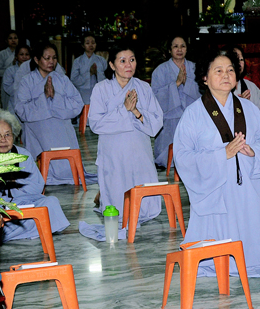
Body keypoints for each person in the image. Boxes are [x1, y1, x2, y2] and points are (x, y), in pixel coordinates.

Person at [174, 50, 260, 277]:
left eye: (230, 70)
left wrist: (254, 152)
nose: (226, 75)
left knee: (248, 236)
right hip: (215, 190)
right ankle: (214, 262)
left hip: (246, 189)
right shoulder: (193, 114)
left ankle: (250, 260)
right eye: (218, 71)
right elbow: (183, 157)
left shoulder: (249, 109)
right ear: (205, 77)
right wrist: (222, 155)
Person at [88, 44, 163, 231]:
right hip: (113, 152)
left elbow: (156, 122)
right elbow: (96, 124)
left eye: (132, 60)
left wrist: (136, 112)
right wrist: (124, 110)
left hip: (139, 150)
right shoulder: (101, 89)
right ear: (112, 65)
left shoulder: (144, 88)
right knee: (117, 202)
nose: (129, 65)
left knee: (145, 202)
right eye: (122, 61)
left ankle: (142, 209)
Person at [0, 109, 70, 241]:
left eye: (8, 134)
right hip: (0, 207)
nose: (3, 140)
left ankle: (9, 234)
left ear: (14, 136)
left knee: (51, 202)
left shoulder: (23, 155)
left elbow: (37, 185)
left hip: (26, 202)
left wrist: (15, 188)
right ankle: (37, 228)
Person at [13, 42, 89, 185]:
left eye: (54, 58)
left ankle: (68, 172)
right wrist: (44, 98)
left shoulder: (62, 79)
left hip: (61, 126)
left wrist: (56, 97)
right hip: (37, 129)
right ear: (37, 60)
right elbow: (21, 109)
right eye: (47, 58)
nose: (51, 62)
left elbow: (78, 104)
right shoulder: (26, 81)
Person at [151, 36, 199, 168]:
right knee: (166, 158)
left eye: (183, 46)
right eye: (175, 46)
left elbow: (203, 91)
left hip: (191, 117)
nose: (179, 49)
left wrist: (187, 82)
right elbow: (155, 97)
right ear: (169, 50)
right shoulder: (160, 70)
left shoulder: (195, 68)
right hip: (169, 119)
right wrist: (176, 84)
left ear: (187, 49)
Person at [230, 44, 260, 119]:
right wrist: (239, 105)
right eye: (235, 59)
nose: (239, 63)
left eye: (241, 59)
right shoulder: (220, 87)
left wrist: (248, 106)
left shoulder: (251, 86)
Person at [70, 34, 108, 105]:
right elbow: (74, 80)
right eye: (87, 43)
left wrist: (97, 73)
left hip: (98, 93)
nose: (91, 45)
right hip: (82, 93)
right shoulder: (77, 61)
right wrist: (89, 73)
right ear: (83, 45)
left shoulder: (101, 60)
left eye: (93, 43)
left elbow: (105, 79)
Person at [1, 44, 31, 110]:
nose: (24, 57)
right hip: (14, 102)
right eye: (21, 54)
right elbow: (8, 88)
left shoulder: (34, 70)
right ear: (16, 56)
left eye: (27, 54)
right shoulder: (10, 70)